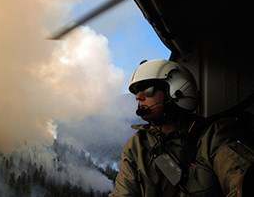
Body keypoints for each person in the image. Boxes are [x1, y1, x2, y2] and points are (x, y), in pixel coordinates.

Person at [109, 59, 254, 197]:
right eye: (136, 93)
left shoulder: (214, 137)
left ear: (176, 90)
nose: (138, 97)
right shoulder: (136, 146)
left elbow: (240, 182)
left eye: (147, 90)